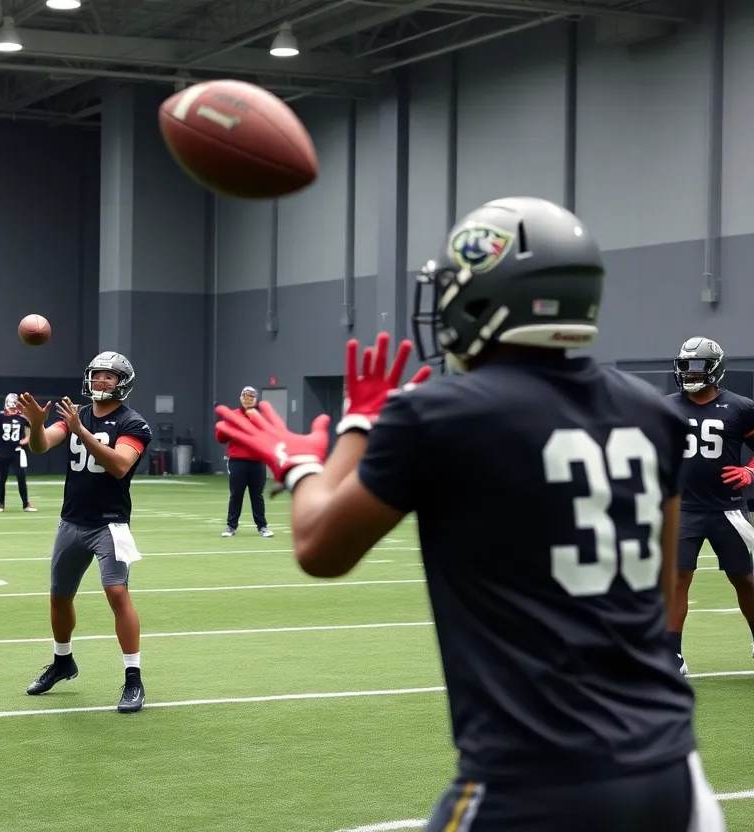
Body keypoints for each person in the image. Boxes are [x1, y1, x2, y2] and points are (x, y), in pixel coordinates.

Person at [214, 197, 725, 831]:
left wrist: (302, 460)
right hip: (674, 773)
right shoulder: (652, 412)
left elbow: (320, 546)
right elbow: (656, 591)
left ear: (488, 300)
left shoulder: (442, 413)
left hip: (535, 778)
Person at [18, 351, 153, 713]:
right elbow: (41, 445)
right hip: (72, 521)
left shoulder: (133, 423)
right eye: (97, 374)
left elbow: (120, 465)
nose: (101, 380)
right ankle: (63, 661)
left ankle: (134, 678)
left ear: (123, 383)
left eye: (109, 376)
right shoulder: (77, 413)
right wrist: (36, 425)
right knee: (59, 596)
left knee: (117, 593)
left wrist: (81, 431)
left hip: (110, 522)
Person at [664, 336, 754, 675]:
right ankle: (672, 655)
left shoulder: (740, 407)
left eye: (697, 366)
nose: (689, 372)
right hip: (682, 509)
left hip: (728, 509)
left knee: (744, 579)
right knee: (677, 580)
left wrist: (749, 470)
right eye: (685, 366)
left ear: (715, 368)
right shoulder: (666, 407)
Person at [219, 385, 273, 538]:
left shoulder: (261, 416)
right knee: (236, 494)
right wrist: (225, 428)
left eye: (251, 397)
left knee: (257, 495)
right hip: (237, 461)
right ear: (240, 398)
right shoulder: (233, 415)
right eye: (245, 396)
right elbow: (221, 438)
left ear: (256, 399)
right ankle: (231, 526)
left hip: (257, 461)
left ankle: (262, 526)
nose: (247, 400)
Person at [0, 393, 35, 513]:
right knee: (2, 479)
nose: (13, 408)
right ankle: (0, 504)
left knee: (21, 477)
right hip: (3, 452)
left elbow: (31, 430)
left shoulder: (22, 417)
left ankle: (26, 504)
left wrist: (26, 439)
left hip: (17, 451)